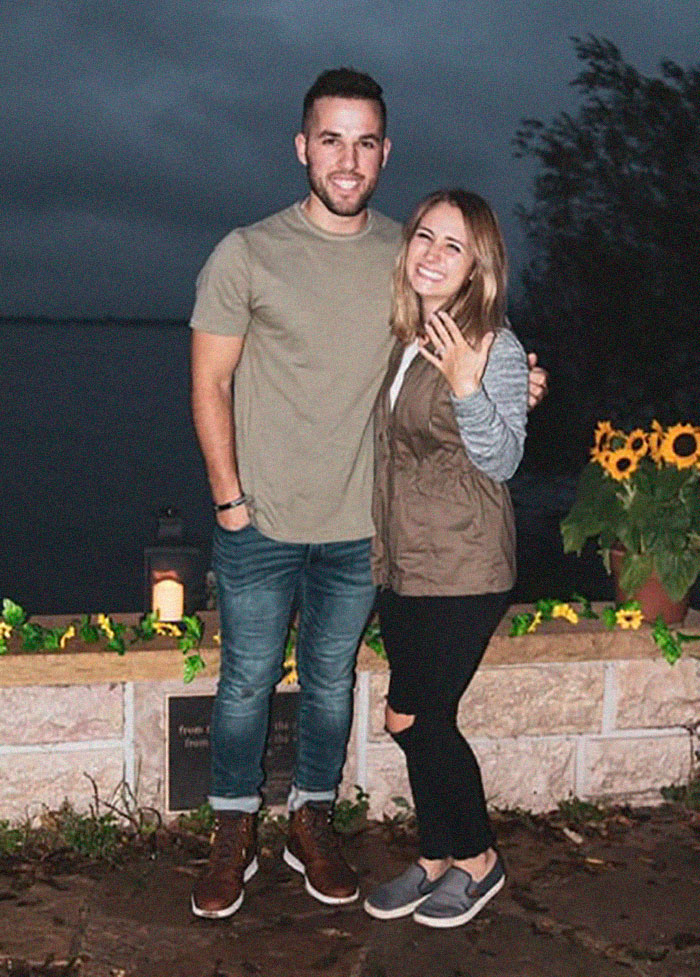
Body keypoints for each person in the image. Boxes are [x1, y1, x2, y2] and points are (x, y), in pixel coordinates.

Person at [189, 68, 547, 920]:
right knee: (244, 683)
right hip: (262, 520)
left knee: (331, 684)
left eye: (364, 141)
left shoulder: (405, 251)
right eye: (329, 138)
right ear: (301, 146)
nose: (346, 159)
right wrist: (231, 501)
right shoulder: (247, 251)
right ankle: (233, 830)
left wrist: (509, 383)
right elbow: (209, 384)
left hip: (364, 535)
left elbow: (477, 333)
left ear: (384, 153)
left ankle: (312, 820)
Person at [364, 189, 526, 928]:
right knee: (428, 717)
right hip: (404, 563)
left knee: (411, 715)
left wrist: (468, 388)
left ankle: (478, 860)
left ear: (478, 265)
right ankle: (435, 857)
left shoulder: (493, 342)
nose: (430, 251)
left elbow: (503, 457)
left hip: (463, 567)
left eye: (451, 245)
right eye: (423, 235)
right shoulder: (409, 335)